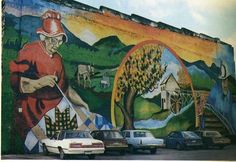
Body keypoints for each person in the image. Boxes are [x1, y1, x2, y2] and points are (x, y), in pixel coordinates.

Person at [10, 10, 112, 153]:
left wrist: (83, 103)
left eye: (59, 40)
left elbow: (66, 89)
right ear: (43, 36)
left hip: (58, 105)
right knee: (44, 135)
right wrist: (40, 82)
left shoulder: (58, 58)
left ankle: (99, 141)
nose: (56, 44)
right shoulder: (29, 52)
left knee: (90, 118)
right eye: (53, 40)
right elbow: (17, 82)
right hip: (36, 110)